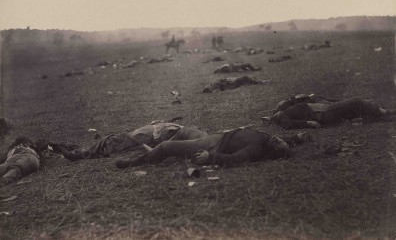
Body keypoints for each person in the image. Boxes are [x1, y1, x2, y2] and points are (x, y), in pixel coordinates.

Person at [116, 128, 311, 168]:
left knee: (167, 146)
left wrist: (210, 157)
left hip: (213, 145)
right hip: (217, 136)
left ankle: (137, 162)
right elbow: (282, 141)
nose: (277, 139)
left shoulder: (257, 149)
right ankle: (162, 152)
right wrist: (297, 137)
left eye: (278, 144)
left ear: (273, 152)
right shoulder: (270, 140)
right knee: (186, 130)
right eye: (280, 140)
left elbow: (235, 159)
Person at [58, 122, 207, 161]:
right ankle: (85, 152)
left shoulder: (198, 140)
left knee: (117, 140)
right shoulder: (202, 136)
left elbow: (170, 145)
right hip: (162, 129)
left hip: (157, 134)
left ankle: (82, 154)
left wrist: (156, 148)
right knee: (118, 138)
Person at [264, 94, 396, 129]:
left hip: (321, 109)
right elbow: (288, 125)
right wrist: (308, 123)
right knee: (356, 101)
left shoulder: (283, 110)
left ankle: (382, 116)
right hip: (322, 113)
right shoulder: (282, 117)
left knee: (352, 106)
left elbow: (287, 103)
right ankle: (385, 112)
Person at [203, 75, 271, 93]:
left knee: (248, 80)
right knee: (245, 78)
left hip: (232, 83)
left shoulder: (214, 86)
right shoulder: (214, 87)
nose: (210, 85)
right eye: (208, 86)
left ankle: (262, 81)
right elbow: (221, 87)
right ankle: (263, 82)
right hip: (232, 85)